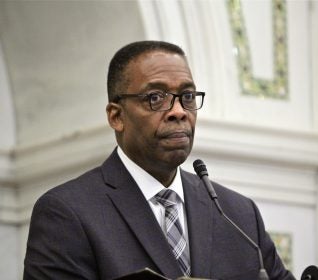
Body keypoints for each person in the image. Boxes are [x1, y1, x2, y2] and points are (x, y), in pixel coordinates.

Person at [24, 41, 295, 280]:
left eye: (187, 97)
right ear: (116, 117)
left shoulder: (238, 215)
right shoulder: (67, 213)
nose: (178, 112)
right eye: (155, 98)